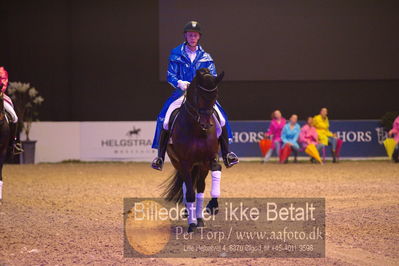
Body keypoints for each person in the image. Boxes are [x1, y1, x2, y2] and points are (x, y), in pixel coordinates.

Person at [151, 21, 238, 171]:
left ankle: (227, 154)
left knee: (222, 118)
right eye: (190, 34)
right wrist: (179, 82)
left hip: (202, 95)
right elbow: (170, 74)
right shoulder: (176, 54)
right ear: (185, 36)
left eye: (195, 35)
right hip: (181, 93)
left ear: (199, 37)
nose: (192, 37)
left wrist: (204, 85)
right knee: (164, 118)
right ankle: (160, 157)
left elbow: (213, 76)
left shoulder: (206, 57)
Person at [0, 66, 23, 155]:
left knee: (14, 117)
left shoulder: (1, 71)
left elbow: (4, 83)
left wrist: (1, 88)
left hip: (0, 96)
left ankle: (13, 143)